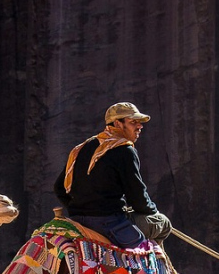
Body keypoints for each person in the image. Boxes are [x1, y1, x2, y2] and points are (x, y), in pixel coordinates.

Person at [55, 102, 173, 248]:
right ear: (117, 123)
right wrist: (153, 212)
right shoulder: (124, 150)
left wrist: (78, 208)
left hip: (77, 220)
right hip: (110, 224)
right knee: (164, 223)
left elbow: (59, 188)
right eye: (133, 122)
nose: (139, 126)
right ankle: (153, 268)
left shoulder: (82, 148)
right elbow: (137, 198)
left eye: (139, 123)